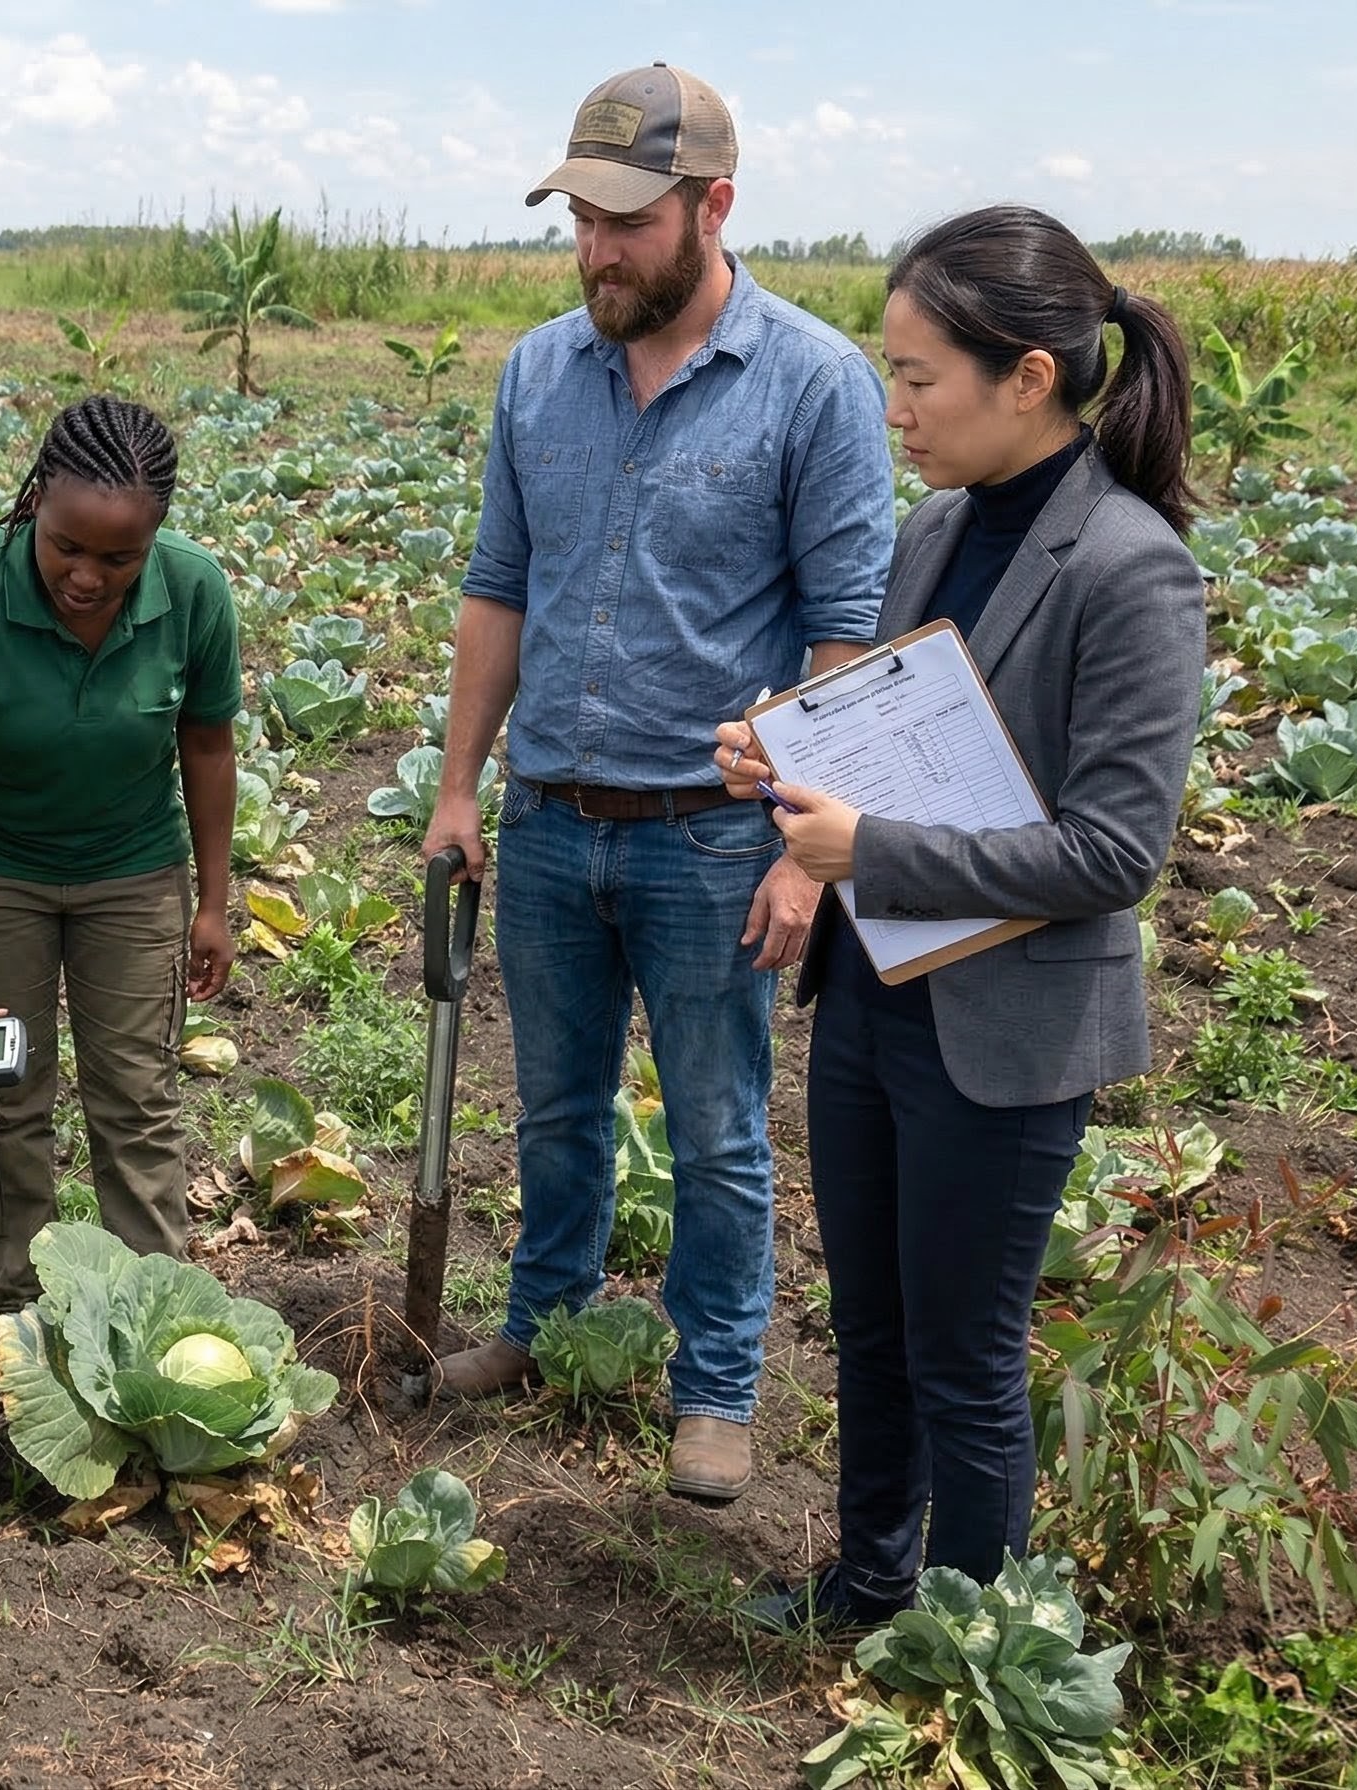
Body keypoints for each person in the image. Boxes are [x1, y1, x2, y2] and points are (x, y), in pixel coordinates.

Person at [715, 206, 1205, 1630]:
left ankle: (974, 1644)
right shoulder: (935, 529)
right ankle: (871, 1583)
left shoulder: (1130, 566)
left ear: (1029, 377)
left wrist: (866, 846)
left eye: (920, 377)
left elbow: (1113, 851)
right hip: (877, 994)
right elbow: (903, 735)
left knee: (967, 1357)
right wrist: (782, 754)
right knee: (871, 1324)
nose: (896, 409)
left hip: (1005, 1034)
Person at [422, 61, 897, 1506]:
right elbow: (499, 586)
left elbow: (846, 634)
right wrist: (458, 786)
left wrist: (805, 853)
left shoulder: (814, 382)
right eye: (580, 219)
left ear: (714, 206)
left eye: (627, 221)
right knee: (553, 1107)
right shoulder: (536, 372)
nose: (597, 251)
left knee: (718, 1129)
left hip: (710, 838)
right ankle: (546, 1319)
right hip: (551, 820)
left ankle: (716, 1386)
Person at [0, 396, 242, 1375]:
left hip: (133, 872)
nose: (88, 576)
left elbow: (207, 747)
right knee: (3, 1098)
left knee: (137, 1098)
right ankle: (9, 1307)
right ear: (36, 503)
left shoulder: (194, 593)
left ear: (156, 537)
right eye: (66, 547)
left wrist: (213, 902)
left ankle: (155, 1316)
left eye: (120, 558)